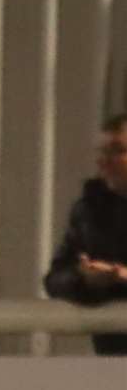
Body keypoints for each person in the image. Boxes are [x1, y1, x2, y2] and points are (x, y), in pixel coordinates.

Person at [44, 112, 127, 355]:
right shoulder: (89, 210)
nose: (104, 161)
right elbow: (54, 279)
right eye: (101, 152)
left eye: (117, 150)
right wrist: (84, 279)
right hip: (113, 359)